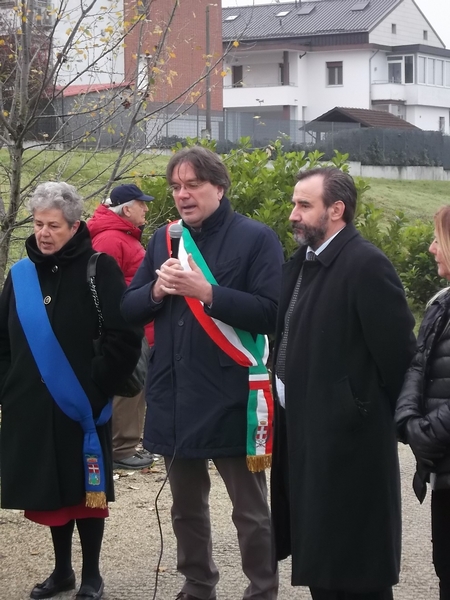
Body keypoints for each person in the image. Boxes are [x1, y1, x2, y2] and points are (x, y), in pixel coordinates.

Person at [121, 146, 283, 600]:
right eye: (176, 187)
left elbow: (272, 313)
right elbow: (129, 309)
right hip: (175, 394)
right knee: (185, 509)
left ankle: (262, 590)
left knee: (250, 512)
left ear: (220, 187)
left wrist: (207, 291)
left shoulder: (256, 238)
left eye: (193, 185)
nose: (183, 195)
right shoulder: (163, 239)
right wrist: (156, 287)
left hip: (232, 396)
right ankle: (198, 585)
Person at [271, 167, 416, 600]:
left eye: (304, 205)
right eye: (294, 203)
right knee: (323, 565)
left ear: (337, 210)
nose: (293, 214)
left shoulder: (365, 263)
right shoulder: (304, 262)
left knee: (356, 571)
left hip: (350, 447)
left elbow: (400, 358)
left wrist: (359, 409)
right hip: (307, 436)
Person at [0, 182, 142, 600]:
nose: (43, 233)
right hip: (29, 403)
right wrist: (8, 386)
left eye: (54, 226)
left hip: (83, 404)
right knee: (52, 493)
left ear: (75, 225)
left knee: (86, 494)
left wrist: (98, 384)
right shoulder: (20, 275)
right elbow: (2, 341)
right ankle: (62, 572)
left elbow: (124, 337)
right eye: (38, 224)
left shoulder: (99, 267)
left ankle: (91, 576)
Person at [396, 205, 450, 600]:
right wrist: (408, 419)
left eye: (438, 239)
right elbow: (418, 363)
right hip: (442, 470)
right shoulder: (440, 304)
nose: (432, 248)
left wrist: (427, 432)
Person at [88, 183, 155, 470]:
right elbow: (101, 287)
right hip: (125, 326)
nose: (147, 209)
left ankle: (124, 445)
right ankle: (121, 448)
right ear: (127, 208)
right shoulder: (111, 240)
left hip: (134, 323)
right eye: (142, 204)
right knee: (130, 384)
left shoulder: (121, 236)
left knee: (136, 385)